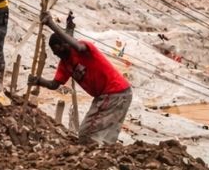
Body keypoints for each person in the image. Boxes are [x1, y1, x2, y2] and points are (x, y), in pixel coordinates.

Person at [28, 10, 132, 144]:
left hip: (114, 92)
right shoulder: (65, 64)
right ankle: (100, 160)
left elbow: (75, 44)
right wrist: (38, 81)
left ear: (63, 45)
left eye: (56, 50)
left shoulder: (83, 49)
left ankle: (92, 160)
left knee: (87, 134)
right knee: (103, 137)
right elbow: (54, 84)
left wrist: (51, 24)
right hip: (111, 95)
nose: (55, 54)